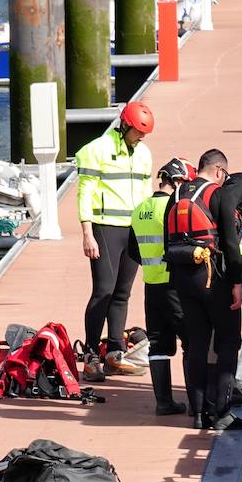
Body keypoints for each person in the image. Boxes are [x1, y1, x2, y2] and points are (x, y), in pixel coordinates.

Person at [165, 157, 242, 430]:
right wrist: (235, 282)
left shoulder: (176, 194)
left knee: (197, 344)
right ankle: (222, 413)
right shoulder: (221, 193)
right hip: (213, 277)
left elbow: (169, 238)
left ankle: (199, 413)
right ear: (219, 171)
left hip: (182, 277)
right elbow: (230, 241)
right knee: (228, 343)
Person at [76, 100, 155, 378]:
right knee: (104, 291)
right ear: (124, 126)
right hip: (105, 228)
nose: (142, 137)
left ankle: (115, 351)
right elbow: (84, 193)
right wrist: (87, 233)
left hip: (133, 230)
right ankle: (89, 355)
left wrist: (148, 233)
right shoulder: (95, 151)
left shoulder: (144, 153)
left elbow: (146, 194)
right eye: (137, 132)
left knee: (122, 294)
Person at [129, 157, 197, 416]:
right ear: (177, 181)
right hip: (174, 284)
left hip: (151, 284)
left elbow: (133, 251)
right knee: (191, 341)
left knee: (158, 345)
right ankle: (196, 403)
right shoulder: (172, 208)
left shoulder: (140, 209)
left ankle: (164, 403)